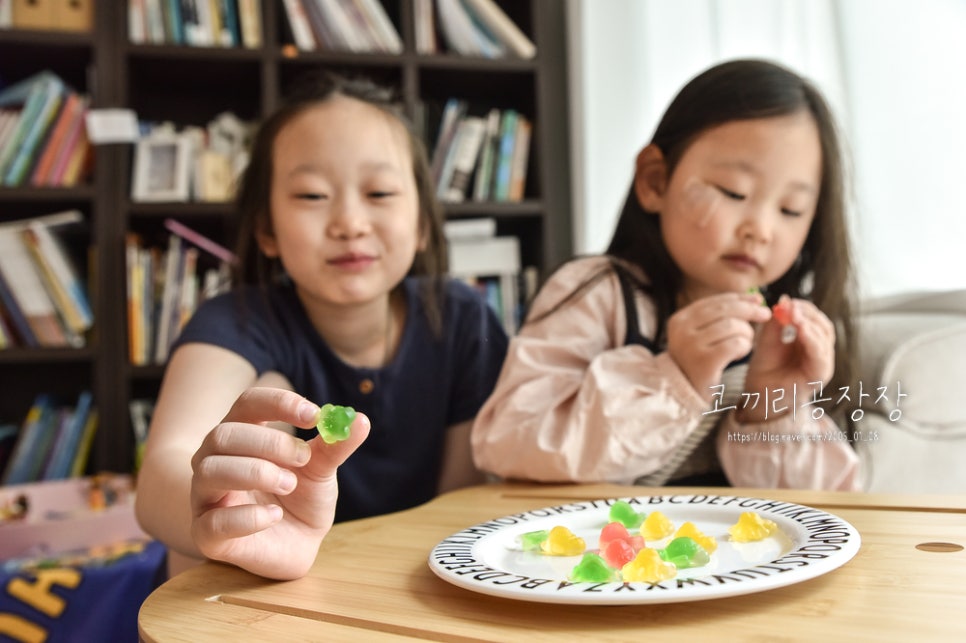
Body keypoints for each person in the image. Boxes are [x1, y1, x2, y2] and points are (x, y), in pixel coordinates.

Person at [135, 73, 508, 581]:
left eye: (379, 192)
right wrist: (219, 513)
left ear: (422, 221)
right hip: (263, 595)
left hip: (409, 580)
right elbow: (164, 471)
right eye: (312, 196)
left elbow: (460, 507)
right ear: (265, 228)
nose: (350, 222)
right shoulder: (237, 320)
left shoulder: (463, 319)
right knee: (266, 395)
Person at [472, 59, 861, 491]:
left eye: (791, 210)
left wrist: (770, 407)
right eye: (734, 192)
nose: (761, 230)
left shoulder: (782, 337)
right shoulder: (599, 293)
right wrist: (674, 378)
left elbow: (827, 510)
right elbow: (508, 442)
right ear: (655, 181)